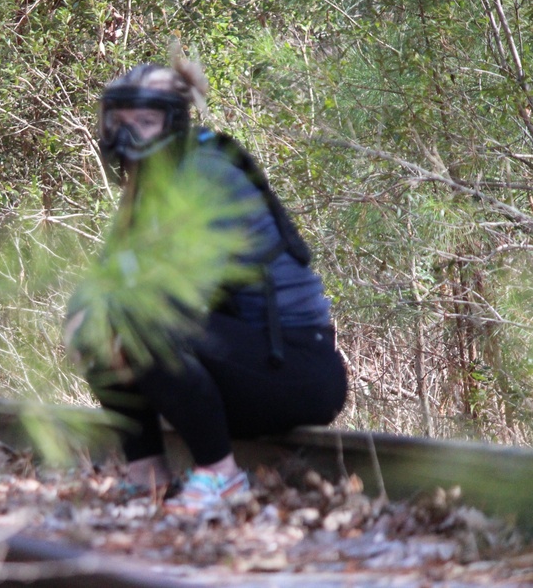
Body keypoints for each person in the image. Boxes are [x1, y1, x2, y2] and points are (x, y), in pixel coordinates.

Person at [64, 53, 348, 515]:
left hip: (297, 370)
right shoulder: (150, 183)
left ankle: (221, 477)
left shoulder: (205, 173)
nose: (127, 135)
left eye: (145, 121)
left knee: (138, 319)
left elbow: (173, 295)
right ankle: (147, 474)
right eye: (118, 122)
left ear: (173, 122)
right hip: (239, 363)